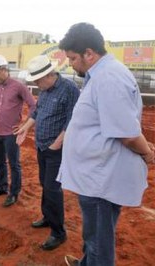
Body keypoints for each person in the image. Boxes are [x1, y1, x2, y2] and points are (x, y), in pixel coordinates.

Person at [57, 22, 155, 266]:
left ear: (89, 54)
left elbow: (128, 134)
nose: (70, 63)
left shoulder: (109, 77)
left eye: (72, 58)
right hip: (95, 175)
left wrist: (148, 154)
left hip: (100, 179)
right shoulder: (101, 74)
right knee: (94, 235)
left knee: (99, 241)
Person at [14, 55, 80, 250]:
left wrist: (57, 144)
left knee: (52, 188)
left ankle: (58, 232)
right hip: (41, 146)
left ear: (50, 74)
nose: (36, 84)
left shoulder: (69, 90)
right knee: (45, 183)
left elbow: (73, 121)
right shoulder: (44, 91)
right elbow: (36, 112)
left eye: (38, 80)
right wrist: (26, 127)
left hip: (56, 150)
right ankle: (47, 216)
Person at [0, 54, 36, 207]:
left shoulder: (19, 86)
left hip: (11, 134)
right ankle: (2, 187)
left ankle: (14, 193)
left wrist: (25, 124)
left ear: (4, 69)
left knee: (14, 164)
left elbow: (33, 105)